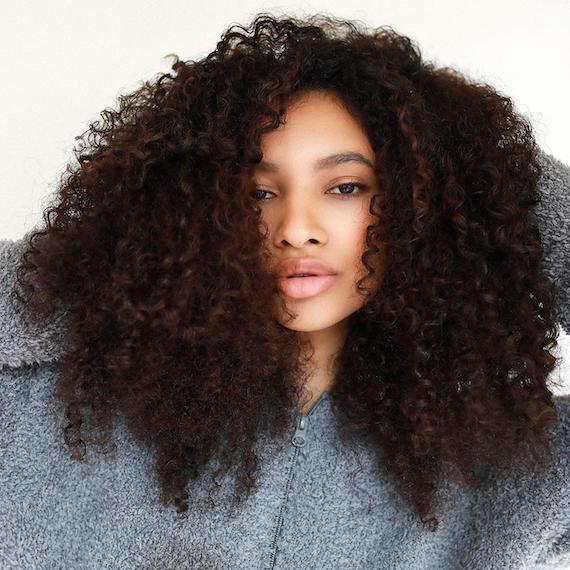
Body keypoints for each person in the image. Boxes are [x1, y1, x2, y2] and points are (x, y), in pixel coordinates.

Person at [1, 11, 569, 569]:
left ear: (426, 206)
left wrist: (502, 184)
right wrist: (88, 268)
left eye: (345, 187)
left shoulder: (507, 462)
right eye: (258, 193)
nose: (296, 228)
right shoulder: (43, 418)